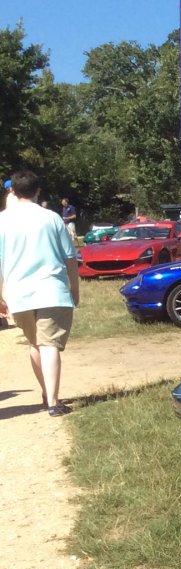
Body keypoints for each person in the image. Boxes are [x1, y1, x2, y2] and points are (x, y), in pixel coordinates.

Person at [0, 170, 80, 415]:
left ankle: (47, 392)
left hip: (18, 293)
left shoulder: (2, 220)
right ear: (37, 191)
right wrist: (74, 288)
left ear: (12, 190)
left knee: (35, 343)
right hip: (51, 289)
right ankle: (54, 402)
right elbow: (70, 256)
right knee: (49, 345)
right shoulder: (52, 218)